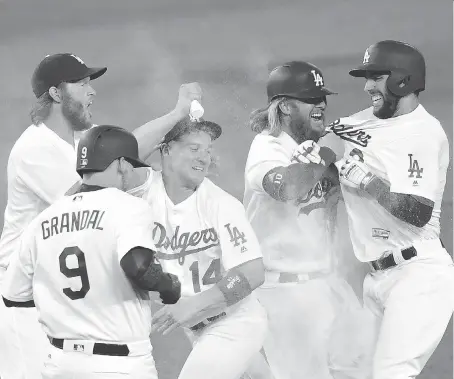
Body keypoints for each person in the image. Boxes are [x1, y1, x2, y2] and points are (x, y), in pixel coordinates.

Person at [0, 52, 201, 379]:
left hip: (63, 285)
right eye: (81, 84)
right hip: (25, 298)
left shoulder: (81, 137)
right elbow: (96, 187)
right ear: (55, 94)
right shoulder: (34, 149)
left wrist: (176, 116)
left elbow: (122, 152)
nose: (92, 91)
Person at [2, 125, 181, 379]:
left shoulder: (42, 220)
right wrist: (168, 286)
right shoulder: (128, 206)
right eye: (131, 164)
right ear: (120, 164)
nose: (132, 171)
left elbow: (14, 296)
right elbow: (139, 266)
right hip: (121, 366)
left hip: (61, 365)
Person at [243, 61, 374, 379]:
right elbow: (288, 188)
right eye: (311, 99)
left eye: (322, 98)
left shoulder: (316, 145)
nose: (322, 105)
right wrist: (328, 152)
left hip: (330, 284)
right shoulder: (267, 149)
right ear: (285, 106)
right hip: (287, 297)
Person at [332, 40, 454, 379]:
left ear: (402, 79)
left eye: (376, 77)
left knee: (391, 373)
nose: (368, 86)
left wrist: (368, 181)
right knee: (350, 372)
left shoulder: (423, 135)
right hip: (377, 279)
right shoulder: (360, 121)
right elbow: (322, 143)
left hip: (419, 276)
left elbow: (418, 212)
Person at [127, 116, 269, 379]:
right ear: (166, 149)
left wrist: (191, 306)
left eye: (208, 150)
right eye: (194, 148)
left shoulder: (219, 204)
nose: (204, 157)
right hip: (200, 330)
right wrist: (177, 112)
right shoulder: (146, 188)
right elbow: (120, 158)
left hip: (235, 321)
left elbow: (253, 272)